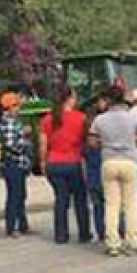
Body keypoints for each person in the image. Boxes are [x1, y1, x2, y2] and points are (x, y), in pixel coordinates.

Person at [89, 86, 137, 257]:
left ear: (108, 100)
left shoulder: (99, 120)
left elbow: (92, 143)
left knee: (111, 205)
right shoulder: (134, 117)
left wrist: (108, 145)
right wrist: (133, 143)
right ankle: (133, 241)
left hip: (109, 161)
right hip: (129, 161)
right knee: (130, 204)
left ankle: (113, 243)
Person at [40, 87, 92, 244]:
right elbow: (86, 141)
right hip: (73, 162)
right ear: (69, 99)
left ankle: (61, 234)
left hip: (54, 163)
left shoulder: (47, 119)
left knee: (61, 199)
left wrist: (43, 162)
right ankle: (84, 233)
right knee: (80, 199)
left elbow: (43, 143)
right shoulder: (81, 118)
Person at [0, 92, 33, 237]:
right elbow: (12, 145)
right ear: (10, 107)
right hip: (13, 163)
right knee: (14, 195)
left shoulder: (13, 121)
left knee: (20, 195)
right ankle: (12, 227)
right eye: (17, 105)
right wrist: (25, 137)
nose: (19, 108)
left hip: (18, 163)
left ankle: (22, 224)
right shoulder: (10, 123)